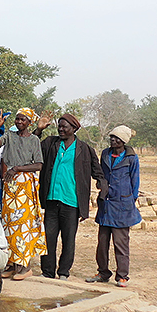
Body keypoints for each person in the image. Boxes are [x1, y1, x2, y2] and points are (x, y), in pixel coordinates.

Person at [38, 114, 107, 280]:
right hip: (52, 200)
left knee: (68, 240)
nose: (61, 129)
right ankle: (48, 272)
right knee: (48, 238)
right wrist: (39, 130)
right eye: (59, 127)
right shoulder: (50, 144)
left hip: (72, 202)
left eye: (65, 127)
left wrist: (101, 184)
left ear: (74, 129)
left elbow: (98, 172)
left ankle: (63, 272)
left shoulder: (85, 149)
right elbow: (31, 146)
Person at [0, 108, 45, 281]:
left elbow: (38, 165)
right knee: (8, 224)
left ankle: (25, 266)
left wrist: (17, 168)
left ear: (30, 122)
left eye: (23, 120)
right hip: (10, 184)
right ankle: (12, 263)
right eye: (17, 119)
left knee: (23, 224)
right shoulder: (9, 136)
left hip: (25, 185)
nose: (19, 122)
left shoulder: (34, 140)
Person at [86, 125, 141, 287]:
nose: (112, 140)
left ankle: (122, 276)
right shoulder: (105, 154)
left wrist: (129, 201)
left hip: (123, 206)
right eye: (111, 137)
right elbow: (101, 174)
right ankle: (103, 273)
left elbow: (134, 183)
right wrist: (100, 184)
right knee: (102, 243)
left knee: (121, 243)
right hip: (106, 204)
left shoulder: (131, 158)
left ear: (123, 141)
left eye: (116, 138)